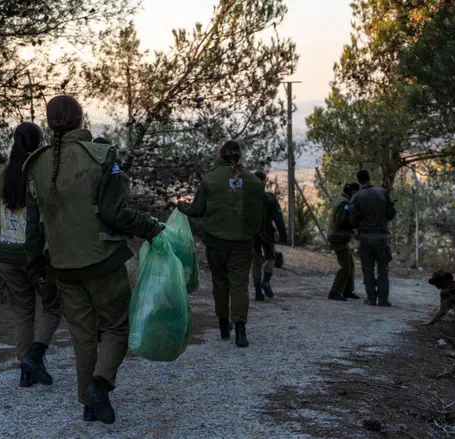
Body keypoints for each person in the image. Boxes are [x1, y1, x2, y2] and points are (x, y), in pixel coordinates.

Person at [23, 96, 164, 424]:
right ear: (79, 118)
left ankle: (88, 404)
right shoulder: (101, 155)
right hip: (104, 261)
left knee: (82, 335)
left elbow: (33, 226)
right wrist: (152, 228)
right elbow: (116, 213)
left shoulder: (37, 164)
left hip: (63, 267)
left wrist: (36, 266)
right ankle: (99, 386)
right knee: (116, 327)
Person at [0, 122, 62, 388]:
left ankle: (25, 370)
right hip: (35, 258)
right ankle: (34, 356)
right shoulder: (40, 177)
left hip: (5, 254)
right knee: (52, 307)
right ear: (39, 144)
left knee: (23, 313)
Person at [179, 140, 264, 347]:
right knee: (239, 285)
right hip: (243, 243)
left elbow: (197, 211)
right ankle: (241, 331)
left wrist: (182, 207)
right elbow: (259, 214)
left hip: (216, 243)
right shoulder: (254, 182)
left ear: (220, 155)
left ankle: (224, 324)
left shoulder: (210, 180)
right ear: (240, 156)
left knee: (220, 282)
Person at [351, 169, 396, 306]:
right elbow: (392, 214)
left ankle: (371, 298)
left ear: (359, 180)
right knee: (383, 269)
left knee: (368, 268)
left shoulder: (357, 196)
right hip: (382, 237)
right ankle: (383, 299)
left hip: (365, 237)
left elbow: (352, 219)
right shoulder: (383, 193)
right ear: (369, 178)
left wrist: (360, 222)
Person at [251, 170, 287, 301]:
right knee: (270, 257)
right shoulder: (270, 198)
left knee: (255, 261)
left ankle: (257, 291)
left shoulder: (247, 198)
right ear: (264, 181)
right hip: (267, 233)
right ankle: (266, 280)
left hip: (252, 235)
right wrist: (283, 236)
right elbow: (279, 219)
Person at [328, 183, 361, 301]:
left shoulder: (343, 200)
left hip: (340, 237)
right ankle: (335, 292)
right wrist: (355, 224)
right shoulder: (345, 203)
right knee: (346, 267)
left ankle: (347, 290)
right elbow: (342, 221)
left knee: (350, 265)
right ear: (352, 192)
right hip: (338, 237)